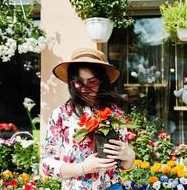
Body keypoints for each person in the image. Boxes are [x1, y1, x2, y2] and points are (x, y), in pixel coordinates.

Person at [41, 48, 135, 190]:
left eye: (92, 82)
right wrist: (83, 168)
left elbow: (123, 165)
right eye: (79, 82)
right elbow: (46, 165)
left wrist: (129, 155)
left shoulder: (114, 113)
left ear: (102, 81)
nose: (84, 88)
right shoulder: (60, 115)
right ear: (71, 82)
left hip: (111, 186)